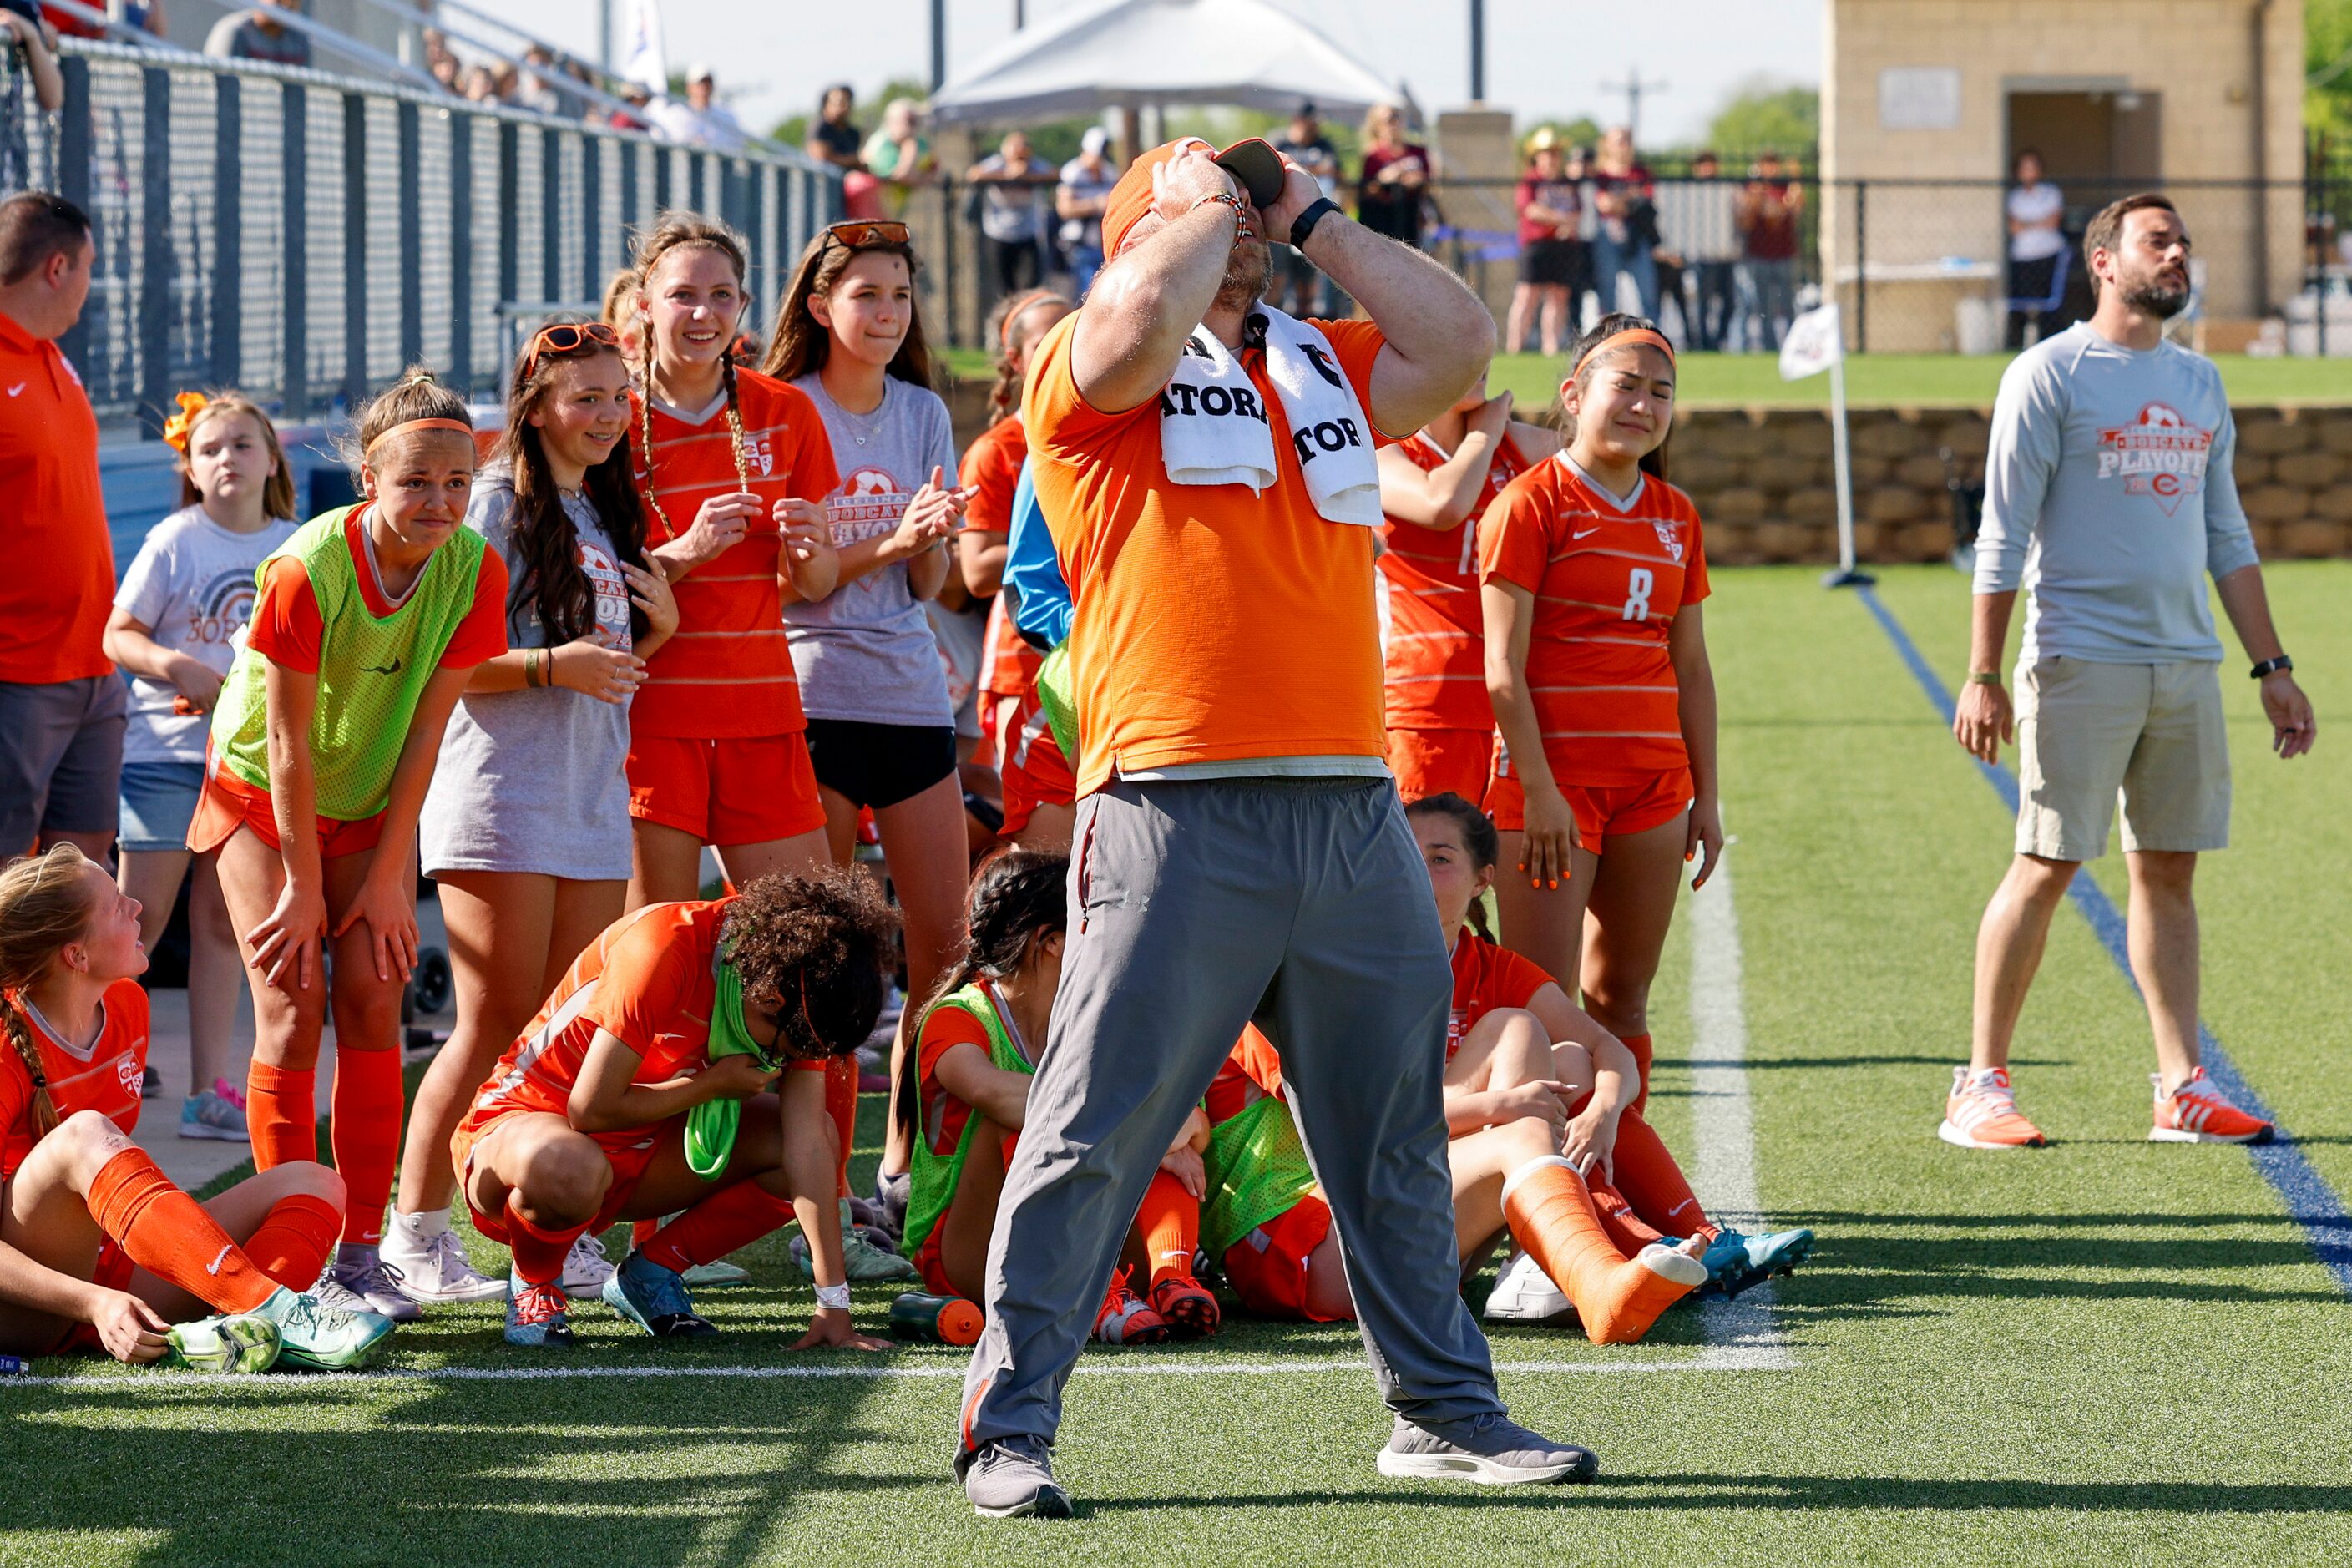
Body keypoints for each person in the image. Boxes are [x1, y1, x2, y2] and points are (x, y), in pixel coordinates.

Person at [954, 134, 1592, 1520]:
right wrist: (1184, 201)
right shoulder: (1092, 360)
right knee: (1095, 1126)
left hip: (1348, 806)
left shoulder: (1308, 360)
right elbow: (1134, 315)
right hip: (1174, 800)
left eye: (1241, 205)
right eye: (1201, 206)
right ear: (1141, 235)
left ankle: (1441, 1407)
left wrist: (1306, 210)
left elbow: (1463, 337)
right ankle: (1006, 1424)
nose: (1231, 218)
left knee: (1388, 1137)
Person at [1946, 193, 2315, 1151]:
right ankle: (1978, 1085)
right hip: (2079, 657)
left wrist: (2269, 665)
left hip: (2186, 665)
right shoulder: (2049, 372)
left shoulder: (2200, 384)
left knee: (2169, 876)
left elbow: (2226, 534)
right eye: (2161, 241)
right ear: (2105, 261)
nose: (2180, 253)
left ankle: (2181, 1087)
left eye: (2184, 241)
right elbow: (2002, 534)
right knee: (2044, 864)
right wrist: (1983, 672)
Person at [195, 368, 509, 1323]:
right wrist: (303, 885)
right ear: (368, 476)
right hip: (261, 793)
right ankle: (290, 1258)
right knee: (292, 1006)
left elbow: (428, 732)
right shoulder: (306, 567)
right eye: (417, 481)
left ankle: (365, 1255)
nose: (440, 502)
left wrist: (384, 882)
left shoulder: (474, 569)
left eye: (458, 483)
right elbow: (285, 742)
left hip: (371, 804)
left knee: (373, 998)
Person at [385, 322, 680, 1306]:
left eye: (614, 396)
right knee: (490, 1026)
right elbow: (446, 662)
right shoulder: (497, 506)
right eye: (582, 397)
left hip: (589, 796)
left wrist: (658, 629)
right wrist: (558, 664)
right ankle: (416, 1233)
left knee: (562, 1035)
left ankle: (550, 1237)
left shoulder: (596, 507)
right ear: (536, 405)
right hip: (502, 798)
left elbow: (606, 665)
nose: (603, 414)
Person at [1479, 316, 1724, 1206]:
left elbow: (1690, 665)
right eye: (1627, 385)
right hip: (1552, 795)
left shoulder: (1675, 516)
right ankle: (1546, 1208)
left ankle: (1616, 1186)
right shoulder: (1530, 502)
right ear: (1574, 394)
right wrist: (1538, 791)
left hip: (1654, 788)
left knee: (1622, 999)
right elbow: (1501, 664)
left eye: (1662, 392)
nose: (1645, 405)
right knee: (1544, 1011)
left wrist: (1706, 794)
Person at [455, 869, 895, 1348]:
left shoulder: (800, 976)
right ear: (769, 999)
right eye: (788, 1050)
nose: (786, 1063)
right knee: (569, 1165)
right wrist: (711, 1085)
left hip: (638, 1148)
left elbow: (808, 1145)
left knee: (820, 1138)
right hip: (523, 1136)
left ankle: (648, 1275)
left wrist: (834, 1304)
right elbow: (589, 1111)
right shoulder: (664, 946)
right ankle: (536, 1280)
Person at [1404, 792, 1811, 1311]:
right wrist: (1503, 1107)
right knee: (1519, 1035)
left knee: (1575, 1061)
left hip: (1465, 1185)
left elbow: (1609, 1050)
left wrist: (1603, 1113)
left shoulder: (1493, 966)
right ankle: (1619, 1250)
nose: (1417, 872)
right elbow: (1363, 1124)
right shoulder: (1356, 969)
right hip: (1385, 1192)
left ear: (1483, 880)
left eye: (1440, 859)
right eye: (1405, 854)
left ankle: (1689, 1235)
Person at [761, 220, 970, 1219]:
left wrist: (927, 541)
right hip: (811, 696)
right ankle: (821, 1181)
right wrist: (895, 538)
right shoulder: (783, 409)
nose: (887, 315)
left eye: (900, 296)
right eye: (867, 296)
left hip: (910, 696)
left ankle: (902, 1165)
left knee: (944, 945)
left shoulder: (926, 411)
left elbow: (930, 580)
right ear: (819, 306)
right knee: (827, 953)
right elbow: (796, 586)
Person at [0, 844, 397, 1373]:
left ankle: (243, 1333)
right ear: (77, 956)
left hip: (112, 1281)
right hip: (29, 1307)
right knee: (84, 1134)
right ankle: (271, 1306)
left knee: (315, 1182)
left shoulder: (126, 1004)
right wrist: (91, 1302)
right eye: (116, 906)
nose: (137, 906)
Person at [898, 851, 1215, 1341]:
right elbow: (991, 1092)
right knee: (1021, 1116)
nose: (1110, 941)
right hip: (966, 1251)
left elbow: (1193, 1121)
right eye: (1094, 923)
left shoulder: (1094, 1017)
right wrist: (1147, 1131)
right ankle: (1100, 1293)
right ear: (1051, 942)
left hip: (1078, 1230)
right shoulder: (958, 1017)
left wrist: (1159, 1132)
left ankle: (1172, 1277)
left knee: (1166, 1139)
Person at [623, 213, 838, 910]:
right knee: (651, 956)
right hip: (649, 723)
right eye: (683, 294)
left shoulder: (785, 411)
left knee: (804, 938)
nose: (702, 312)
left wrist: (811, 551)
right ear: (644, 305)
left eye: (722, 296)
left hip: (762, 713)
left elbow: (815, 583)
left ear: (742, 309)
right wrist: (683, 553)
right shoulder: (607, 421)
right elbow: (583, 590)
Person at [103, 392, 300, 1143]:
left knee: (223, 924)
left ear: (272, 457)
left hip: (246, 768)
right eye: (211, 448)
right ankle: (100, 1079)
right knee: (132, 927)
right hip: (164, 760)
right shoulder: (174, 539)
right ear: (189, 465)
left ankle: (206, 1093)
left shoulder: (297, 544)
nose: (227, 459)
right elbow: (118, 635)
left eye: (242, 445)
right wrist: (176, 666)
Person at [0, 195, 117, 870]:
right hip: (17, 671)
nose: (89, 285)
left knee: (80, 870)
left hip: (93, 664)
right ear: (56, 266)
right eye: (88, 267)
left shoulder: (54, 356)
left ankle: (57, 986)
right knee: (12, 871)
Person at [1375, 376, 1556, 804]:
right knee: (1434, 864)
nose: (1477, 361)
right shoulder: (1380, 446)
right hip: (1425, 706)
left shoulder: (1516, 449)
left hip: (1521, 709)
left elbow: (1597, 461)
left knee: (1510, 867)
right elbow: (1442, 504)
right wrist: (1484, 435)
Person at [961, 291, 1075, 834]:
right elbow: (978, 569)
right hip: (1019, 660)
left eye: (1068, 331)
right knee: (1026, 817)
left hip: (1085, 653)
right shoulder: (995, 450)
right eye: (1042, 340)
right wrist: (1074, 542)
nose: (1060, 346)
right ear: (1015, 358)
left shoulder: (1095, 421)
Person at [1508, 130, 1582, 357]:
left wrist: (1567, 223)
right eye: (1546, 153)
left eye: (1555, 153)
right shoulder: (1530, 181)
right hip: (1537, 244)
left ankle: (1550, 347)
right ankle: (1514, 347)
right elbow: (1530, 210)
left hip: (1562, 245)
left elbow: (1578, 211)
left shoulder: (1567, 183)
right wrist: (1561, 218)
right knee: (1527, 295)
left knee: (1558, 295)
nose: (1551, 158)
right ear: (1537, 156)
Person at [1660, 151, 1742, 352]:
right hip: (1701, 255)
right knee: (1703, 304)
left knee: (1729, 302)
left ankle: (1718, 338)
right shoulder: (1689, 191)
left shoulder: (1726, 188)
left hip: (1724, 253)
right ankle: (1703, 342)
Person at [969, 131, 1056, 301]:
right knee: (1005, 287)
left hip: (1028, 233)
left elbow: (1055, 174)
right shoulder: (997, 164)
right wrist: (1007, 176)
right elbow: (973, 174)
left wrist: (1027, 176)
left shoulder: (1034, 166)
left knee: (1031, 285)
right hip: (999, 233)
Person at [1270, 104, 1340, 316]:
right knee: (1277, 276)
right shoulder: (1280, 141)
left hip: (1311, 217)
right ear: (1298, 120)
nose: (1313, 128)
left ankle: (1305, 326)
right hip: (1280, 217)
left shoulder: (1324, 144)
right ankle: (1269, 321)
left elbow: (1336, 172)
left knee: (1308, 281)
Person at [1734, 151, 1802, 350]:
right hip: (1759, 255)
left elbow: (1796, 207)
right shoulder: (1751, 188)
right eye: (1765, 165)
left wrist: (1796, 178)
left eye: (1772, 165)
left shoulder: (1786, 187)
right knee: (1763, 306)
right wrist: (1759, 189)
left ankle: (1792, 345)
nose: (1769, 170)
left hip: (1785, 253)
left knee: (1789, 303)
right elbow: (1746, 220)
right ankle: (1769, 346)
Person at [1590, 127, 1658, 321]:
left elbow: (1647, 202)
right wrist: (1630, 199)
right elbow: (1603, 204)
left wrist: (1618, 202)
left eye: (1627, 140)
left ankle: (1651, 336)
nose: (1624, 145)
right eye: (1619, 141)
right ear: (1608, 145)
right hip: (1608, 235)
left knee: (1647, 292)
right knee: (1607, 290)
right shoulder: (1602, 176)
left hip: (1638, 235)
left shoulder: (1641, 172)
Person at [2005, 149, 2067, 348]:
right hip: (2023, 257)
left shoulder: (2051, 193)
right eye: (2025, 168)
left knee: (2048, 305)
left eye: (2033, 167)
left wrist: (2027, 224)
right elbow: (2014, 227)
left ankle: (2050, 344)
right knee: (2022, 304)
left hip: (2048, 255)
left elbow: (2053, 222)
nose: (2029, 172)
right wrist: (2038, 222)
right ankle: (2016, 345)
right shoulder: (2014, 197)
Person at [1357, 104, 1431, 250]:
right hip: (1383, 219)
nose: (1395, 124)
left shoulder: (1418, 151)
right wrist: (1383, 180)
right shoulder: (1373, 156)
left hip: (1412, 218)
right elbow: (1366, 190)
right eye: (1390, 120)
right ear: (1378, 125)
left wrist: (1415, 181)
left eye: (1398, 118)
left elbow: (1429, 183)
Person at [1054, 127, 1116, 298]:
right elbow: (1064, 209)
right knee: (1085, 292)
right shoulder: (1072, 172)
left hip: (1103, 242)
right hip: (1079, 242)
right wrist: (1095, 205)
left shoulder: (1109, 172)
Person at [862, 99, 935, 216]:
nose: (915, 126)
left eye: (916, 121)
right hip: (873, 214)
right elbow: (902, 175)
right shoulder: (881, 143)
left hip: (896, 212)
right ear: (891, 121)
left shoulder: (919, 142)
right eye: (910, 121)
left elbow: (935, 169)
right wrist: (910, 147)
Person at [202, 0, 308, 67]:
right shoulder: (236, 32)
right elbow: (225, 92)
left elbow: (296, 97)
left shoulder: (297, 40)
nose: (287, 4)